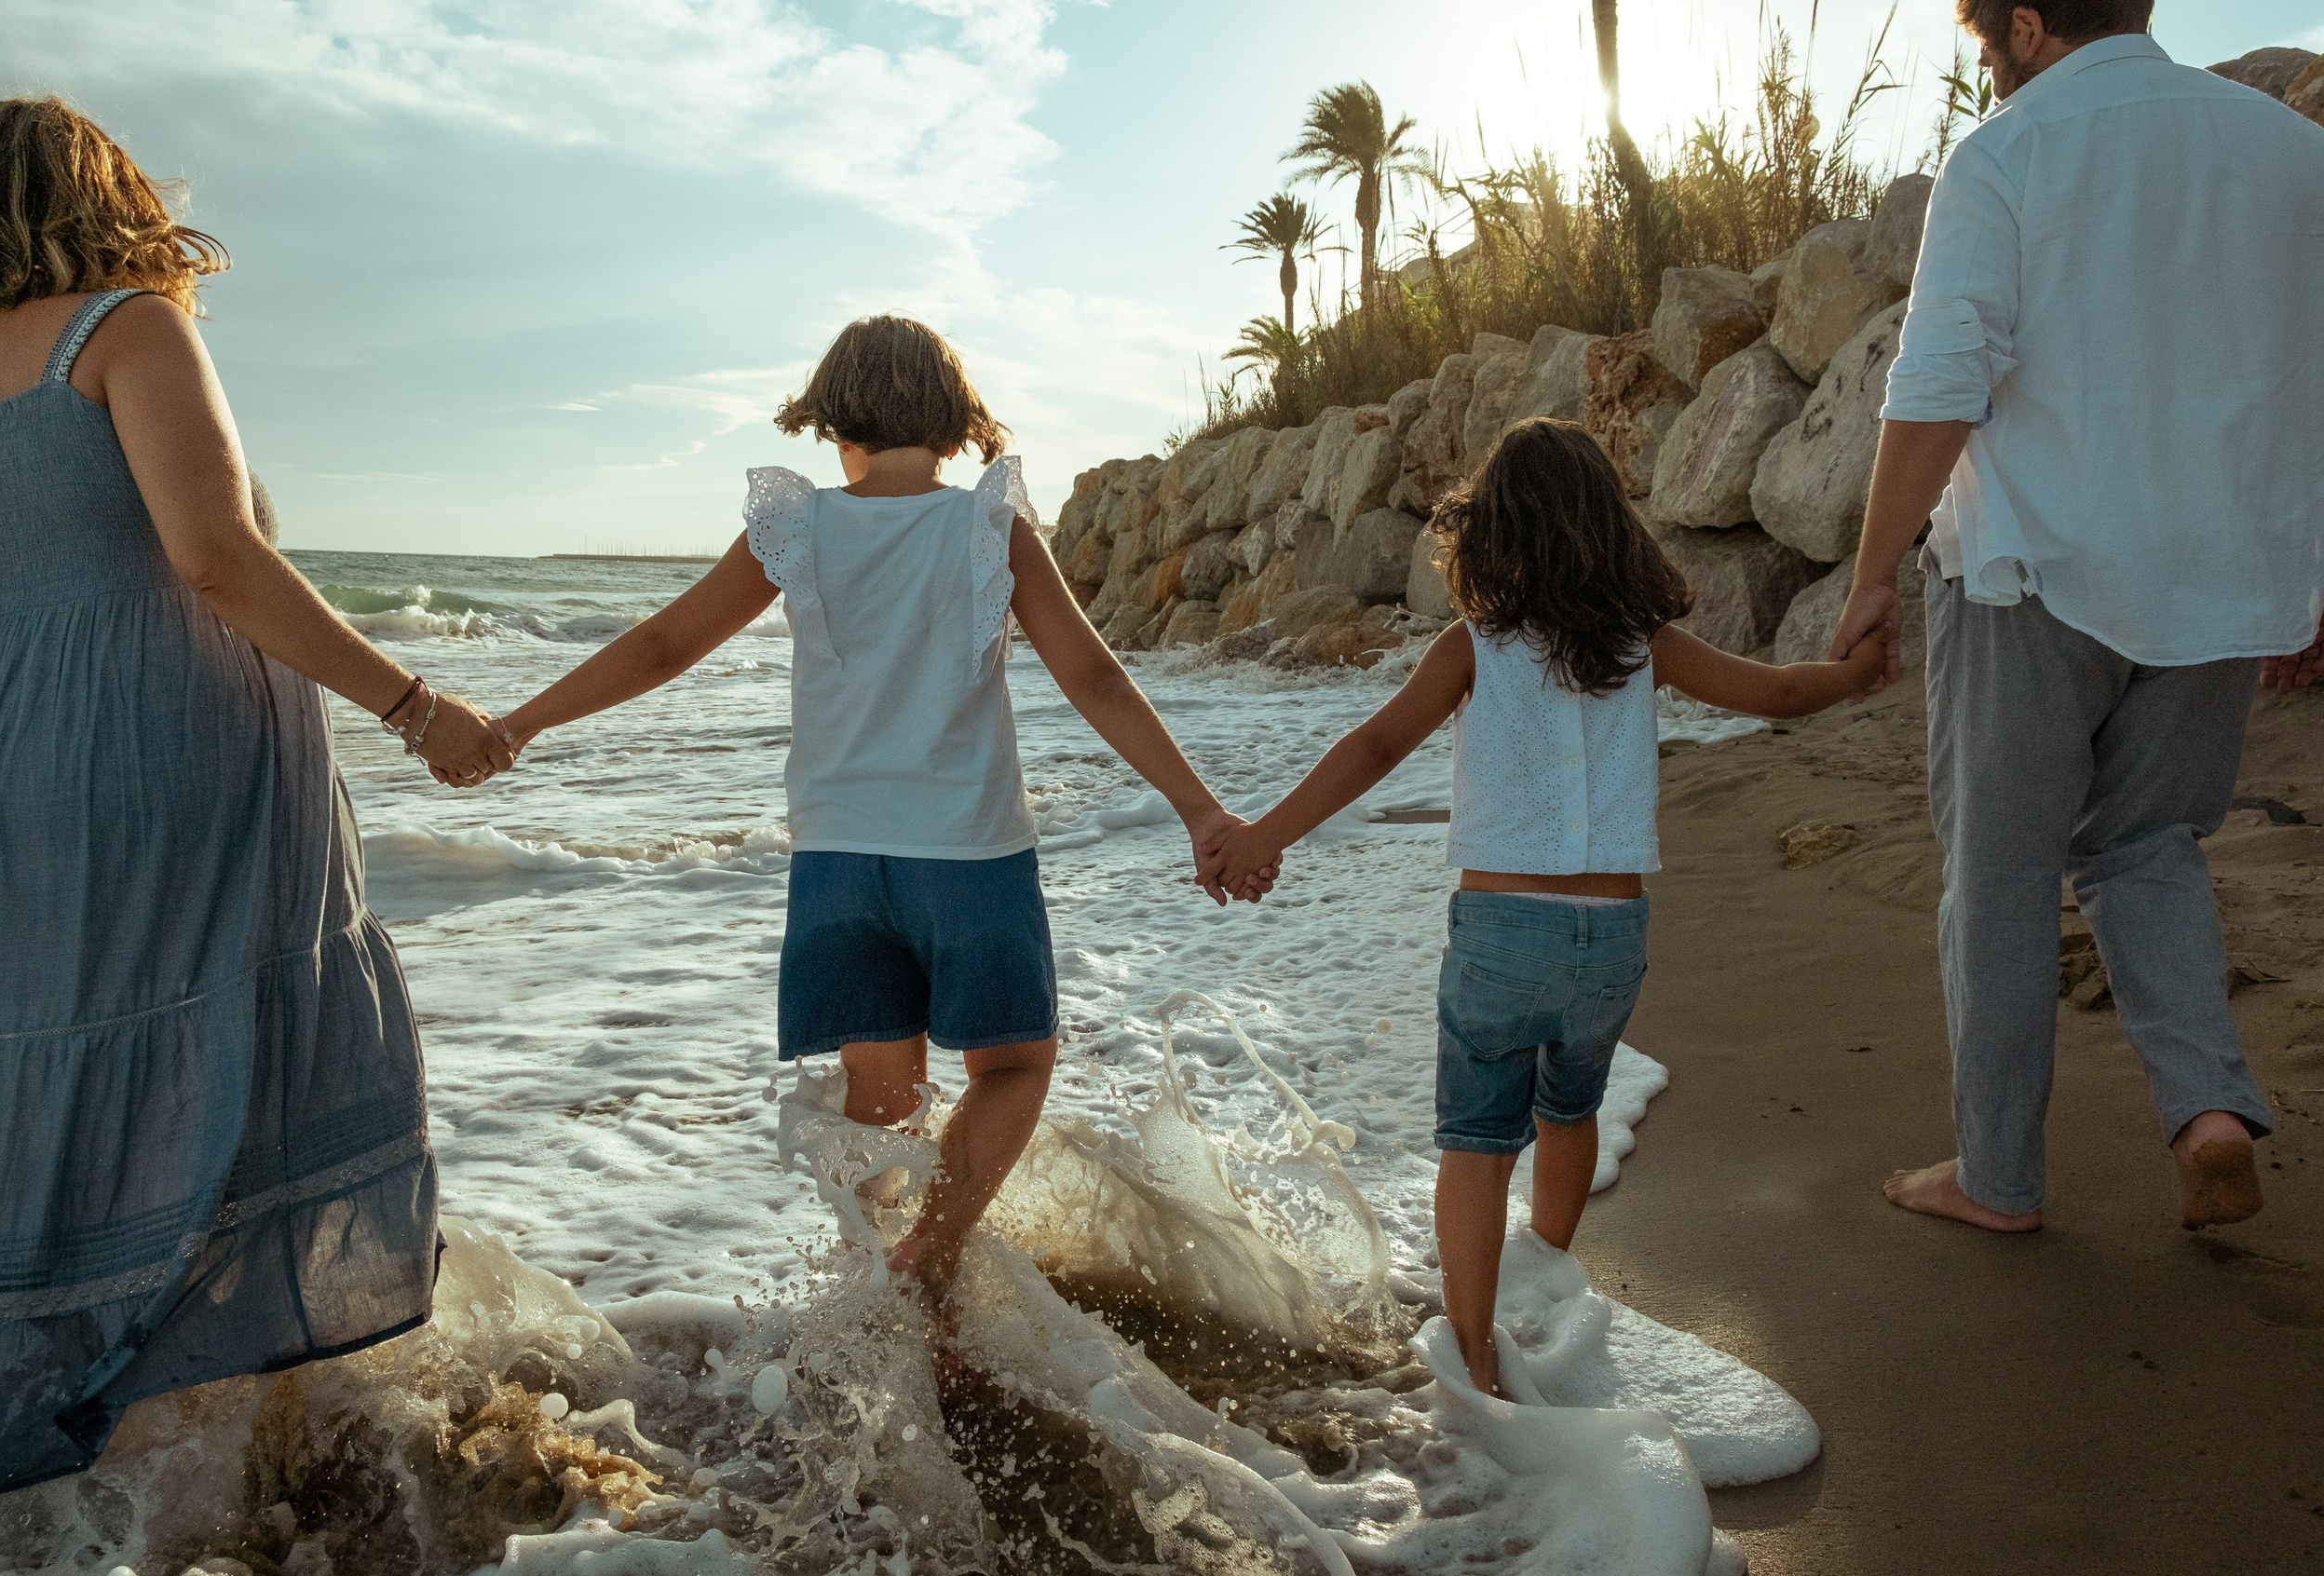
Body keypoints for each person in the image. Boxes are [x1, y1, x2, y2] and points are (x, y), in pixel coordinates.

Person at [0, 99, 513, 1501]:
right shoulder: (128, 325)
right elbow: (216, 558)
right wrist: (415, 706)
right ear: (108, 194)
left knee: (33, 1051)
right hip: (167, 739)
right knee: (221, 1036)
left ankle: (49, 1435)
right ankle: (229, 1433)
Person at [496, 315, 1259, 1297]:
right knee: (1015, 1066)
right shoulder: (987, 525)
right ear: (953, 421)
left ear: (832, 416)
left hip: (838, 863)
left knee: (883, 1101)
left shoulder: (795, 524)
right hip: (968, 853)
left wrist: (518, 723)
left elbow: (662, 647)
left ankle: (874, 1295)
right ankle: (931, 1250)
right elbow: (1094, 678)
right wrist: (1201, 810)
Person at [1201, 420, 1889, 1397]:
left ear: (1490, 537)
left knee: (1476, 1147)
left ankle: (1476, 1349)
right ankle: (1548, 1268)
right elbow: (1774, 691)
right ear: (1610, 529)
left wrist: (1265, 834)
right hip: (1611, 938)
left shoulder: (1472, 646)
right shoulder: (1640, 644)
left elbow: (1374, 747)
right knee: (1569, 1112)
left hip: (1499, 936)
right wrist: (1859, 673)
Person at [1828, 2, 2324, 1234]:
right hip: (2221, 577)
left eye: (1987, 41)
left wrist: (1876, 570)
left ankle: (1997, 1173)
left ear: (2028, 26)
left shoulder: (2009, 150)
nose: (1988, 67)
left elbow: (1945, 373)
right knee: (2147, 841)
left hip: (2034, 569)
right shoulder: (2286, 150)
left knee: (1999, 874)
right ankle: (2208, 1108)